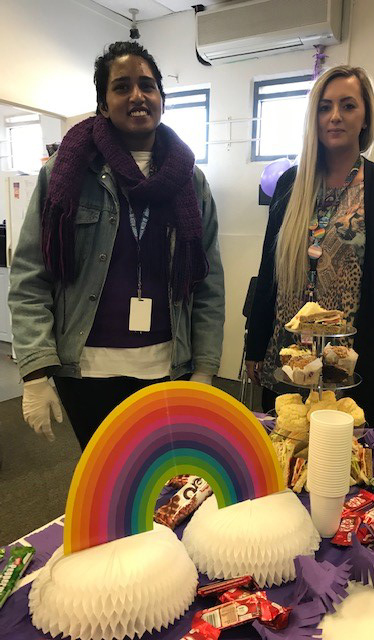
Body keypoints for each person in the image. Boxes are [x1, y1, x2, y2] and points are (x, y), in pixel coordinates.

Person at [9, 41, 225, 450]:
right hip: (86, 370)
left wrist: (205, 370)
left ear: (162, 99)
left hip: (167, 367)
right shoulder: (64, 175)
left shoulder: (190, 181)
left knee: (163, 484)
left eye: (147, 85)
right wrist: (35, 372)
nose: (137, 96)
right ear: (104, 105)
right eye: (122, 87)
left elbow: (208, 284)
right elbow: (29, 277)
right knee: (104, 488)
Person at [245, 65, 374, 425]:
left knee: (342, 470)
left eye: (348, 106)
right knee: (286, 462)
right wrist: (255, 345)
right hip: (287, 361)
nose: (334, 116)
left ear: (366, 116)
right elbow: (268, 270)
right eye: (325, 107)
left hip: (348, 367)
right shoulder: (292, 183)